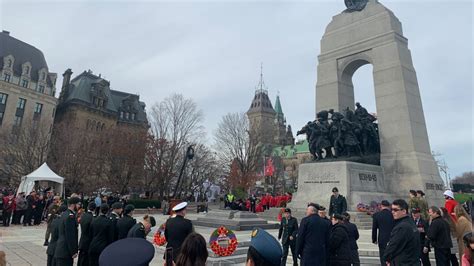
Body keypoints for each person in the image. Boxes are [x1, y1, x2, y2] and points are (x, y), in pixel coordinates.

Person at [382, 199, 420, 265]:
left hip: (404, 262)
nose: (392, 212)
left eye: (395, 210)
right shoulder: (410, 222)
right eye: (392, 209)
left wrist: (386, 258)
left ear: (404, 211)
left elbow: (393, 246)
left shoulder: (402, 227)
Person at [54, 197, 81, 266]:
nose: (79, 206)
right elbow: (70, 236)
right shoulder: (70, 217)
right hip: (65, 251)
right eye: (78, 204)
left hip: (61, 250)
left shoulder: (65, 214)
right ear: (73, 205)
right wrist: (73, 251)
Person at [371, 200, 394, 266]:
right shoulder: (393, 214)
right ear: (389, 206)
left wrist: (374, 239)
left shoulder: (377, 215)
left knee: (383, 256)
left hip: (382, 239)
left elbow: (374, 228)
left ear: (381, 206)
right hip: (392, 238)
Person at [78, 202, 96, 266]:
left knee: (80, 260)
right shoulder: (93, 218)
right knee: (85, 261)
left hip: (82, 240)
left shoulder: (83, 215)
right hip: (88, 242)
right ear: (94, 209)